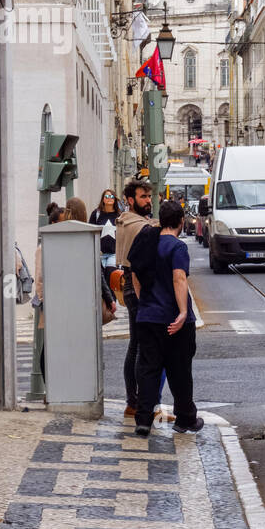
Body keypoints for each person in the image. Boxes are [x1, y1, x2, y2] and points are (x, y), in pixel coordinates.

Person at [130, 200, 203, 437]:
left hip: (148, 318)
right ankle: (185, 419)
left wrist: (144, 303)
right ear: (181, 222)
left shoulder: (147, 243)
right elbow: (179, 278)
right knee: (180, 371)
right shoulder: (177, 248)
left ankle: (143, 421)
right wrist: (182, 312)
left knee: (148, 370)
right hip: (173, 321)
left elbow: (135, 275)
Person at [116, 179, 158, 418]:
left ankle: (134, 401)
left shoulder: (124, 220)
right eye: (143, 197)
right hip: (138, 286)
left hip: (129, 285)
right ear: (131, 200)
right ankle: (137, 403)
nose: (148, 201)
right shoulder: (137, 225)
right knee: (141, 348)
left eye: (149, 196)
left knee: (135, 344)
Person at [91, 189, 120, 269]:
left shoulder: (119, 215)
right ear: (103, 199)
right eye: (106, 196)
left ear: (114, 199)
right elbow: (90, 232)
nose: (109, 198)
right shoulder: (96, 214)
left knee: (110, 272)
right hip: (99, 253)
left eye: (111, 196)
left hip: (114, 254)